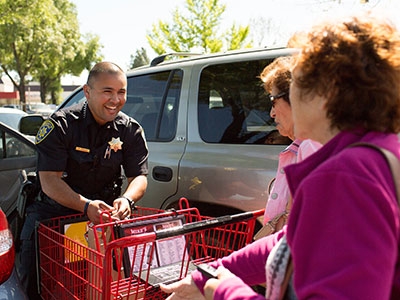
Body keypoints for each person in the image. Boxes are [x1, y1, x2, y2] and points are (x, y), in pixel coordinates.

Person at [160, 12, 400, 299]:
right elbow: (292, 242)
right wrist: (208, 274)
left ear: (326, 92)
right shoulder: (381, 153)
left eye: (295, 83)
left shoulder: (344, 175)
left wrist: (221, 289)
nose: (276, 105)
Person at [18, 61, 149, 298]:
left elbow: (139, 176)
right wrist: (85, 206)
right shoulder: (60, 125)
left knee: (95, 288)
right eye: (107, 91)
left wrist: (127, 199)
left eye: (121, 92)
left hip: (100, 223)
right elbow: (49, 181)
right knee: (40, 288)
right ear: (87, 92)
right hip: (53, 220)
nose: (115, 100)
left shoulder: (130, 129)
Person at [259, 57, 321, 225]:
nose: (271, 113)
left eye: (273, 101)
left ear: (295, 98)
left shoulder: (312, 149)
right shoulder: (298, 148)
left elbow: (306, 228)